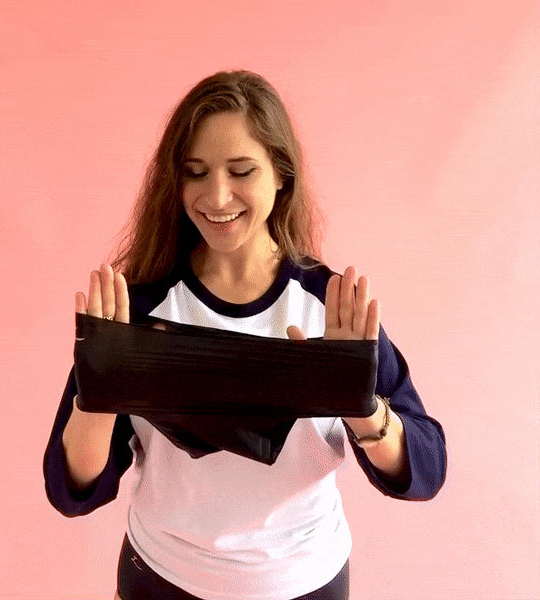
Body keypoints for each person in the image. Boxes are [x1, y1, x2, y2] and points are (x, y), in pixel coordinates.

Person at [43, 70, 447, 600]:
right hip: (161, 580)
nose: (216, 196)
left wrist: (362, 408)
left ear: (281, 175)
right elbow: (71, 489)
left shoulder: (328, 307)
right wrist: (98, 397)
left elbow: (427, 468)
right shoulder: (139, 308)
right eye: (195, 172)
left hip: (306, 584)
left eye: (241, 171)